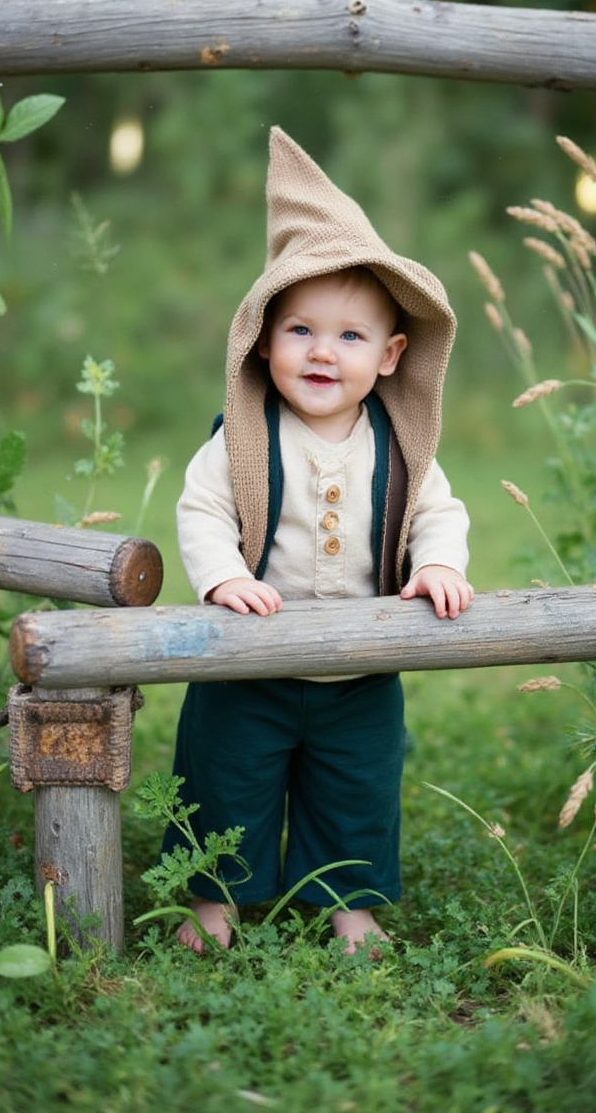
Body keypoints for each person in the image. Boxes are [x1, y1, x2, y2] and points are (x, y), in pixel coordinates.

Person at [163, 126, 474, 955]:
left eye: (349, 336)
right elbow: (200, 511)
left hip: (360, 668)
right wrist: (223, 578)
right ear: (263, 339)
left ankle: (351, 906)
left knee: (357, 787)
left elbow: (440, 513)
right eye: (300, 330)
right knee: (224, 782)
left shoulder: (401, 447)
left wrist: (439, 562)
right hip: (250, 659)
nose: (322, 353)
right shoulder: (243, 438)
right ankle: (212, 904)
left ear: (390, 354)